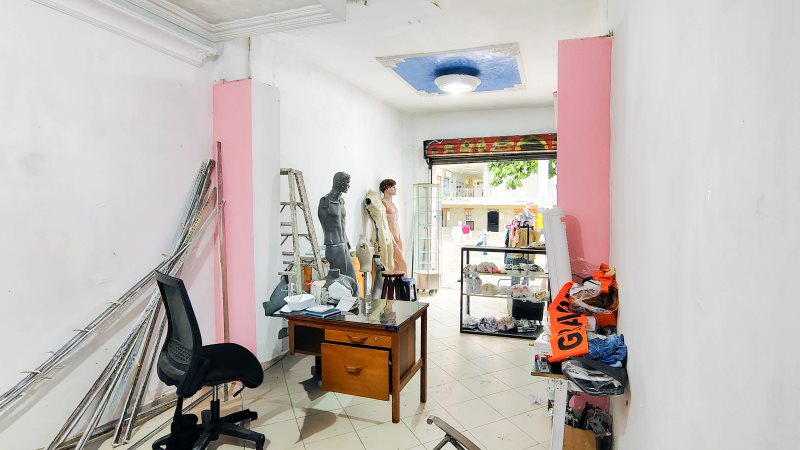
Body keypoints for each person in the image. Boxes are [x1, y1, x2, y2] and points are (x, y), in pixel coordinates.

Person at [318, 172, 356, 280]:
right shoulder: (325, 201)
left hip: (344, 244)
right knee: (340, 281)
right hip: (334, 245)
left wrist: (346, 242)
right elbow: (324, 224)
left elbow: (342, 224)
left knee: (352, 280)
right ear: (340, 183)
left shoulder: (341, 202)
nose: (349, 186)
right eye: (347, 183)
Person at [380, 179, 408, 274]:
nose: (395, 189)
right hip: (390, 236)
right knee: (403, 263)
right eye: (393, 187)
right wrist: (390, 236)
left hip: (398, 236)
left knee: (397, 266)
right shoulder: (383, 203)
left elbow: (395, 221)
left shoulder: (392, 203)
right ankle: (405, 284)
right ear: (386, 188)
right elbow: (383, 223)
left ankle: (397, 284)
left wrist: (399, 235)